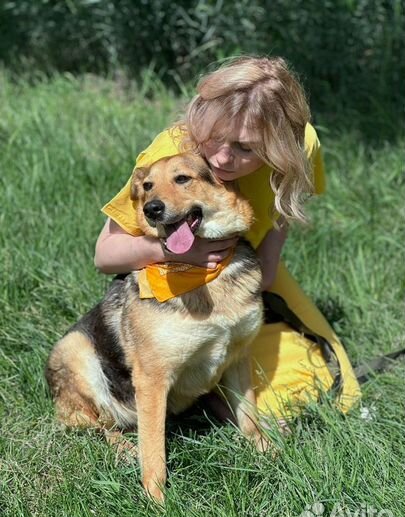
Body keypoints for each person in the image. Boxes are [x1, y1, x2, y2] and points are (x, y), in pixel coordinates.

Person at [95, 55, 361, 423]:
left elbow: (280, 219)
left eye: (246, 148)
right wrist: (178, 251)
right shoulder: (172, 153)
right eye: (214, 137)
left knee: (334, 385)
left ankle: (211, 392)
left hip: (244, 264)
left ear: (281, 146)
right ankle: (197, 392)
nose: (222, 157)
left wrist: (258, 277)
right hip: (174, 271)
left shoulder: (304, 145)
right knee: (257, 395)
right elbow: (105, 254)